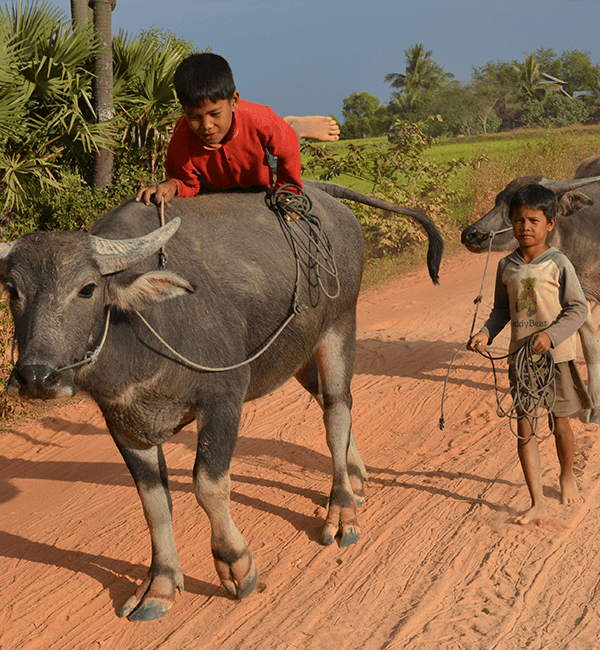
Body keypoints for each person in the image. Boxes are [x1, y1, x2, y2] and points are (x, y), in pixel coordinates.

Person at [467, 182, 592, 525]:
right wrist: (485, 333)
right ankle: (536, 499)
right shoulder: (506, 265)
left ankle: (567, 475)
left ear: (550, 223)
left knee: (560, 424)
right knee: (524, 428)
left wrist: (551, 337)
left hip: (557, 358)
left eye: (534, 221)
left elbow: (578, 309)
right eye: (519, 220)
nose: (525, 227)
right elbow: (500, 311)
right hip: (521, 361)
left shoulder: (559, 264)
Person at [136, 52, 339, 206]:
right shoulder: (181, 140)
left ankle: (296, 126)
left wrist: (289, 191)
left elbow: (289, 153)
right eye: (194, 117)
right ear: (184, 111)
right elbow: (187, 184)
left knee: (285, 140)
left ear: (233, 101)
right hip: (216, 186)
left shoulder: (261, 119)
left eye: (215, 114)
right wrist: (172, 185)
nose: (206, 126)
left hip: (260, 173)